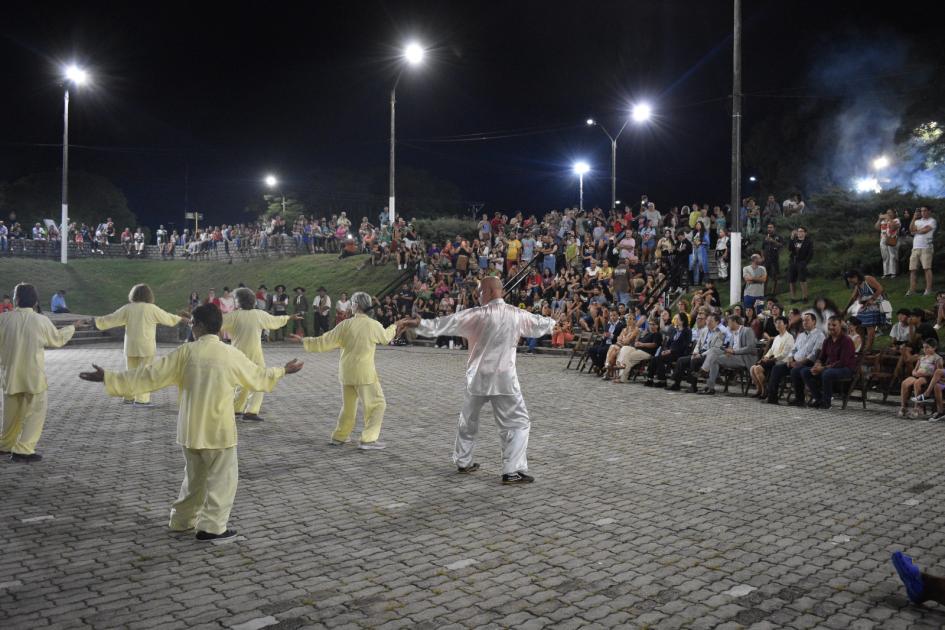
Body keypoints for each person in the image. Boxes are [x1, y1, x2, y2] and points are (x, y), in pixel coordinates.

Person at [79, 304, 303, 541]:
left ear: (200, 326)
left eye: (192, 322)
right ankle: (212, 527)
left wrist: (109, 378)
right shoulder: (231, 355)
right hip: (218, 431)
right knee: (222, 481)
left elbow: (149, 375)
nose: (191, 326)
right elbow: (259, 376)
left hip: (190, 429)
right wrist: (283, 371)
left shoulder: (186, 352)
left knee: (194, 480)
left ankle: (181, 520)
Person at [400, 276, 556, 484]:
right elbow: (540, 323)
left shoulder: (477, 315)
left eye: (481, 291)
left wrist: (415, 323)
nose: (478, 294)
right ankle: (512, 470)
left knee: (468, 420)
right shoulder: (517, 315)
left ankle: (463, 461)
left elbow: (443, 324)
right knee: (517, 423)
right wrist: (554, 322)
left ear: (491, 291)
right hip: (504, 379)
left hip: (477, 378)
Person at [290, 292, 397, 450]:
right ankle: (368, 439)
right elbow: (386, 338)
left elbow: (325, 340)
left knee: (348, 407)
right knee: (377, 404)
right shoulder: (373, 325)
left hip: (347, 372)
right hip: (364, 374)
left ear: (357, 305)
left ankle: (340, 436)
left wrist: (304, 341)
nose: (350, 305)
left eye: (352, 302)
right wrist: (394, 327)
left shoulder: (346, 324)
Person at [0, 284, 81, 461]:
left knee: (10, 414)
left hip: (10, 375)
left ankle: (5, 445)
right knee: (36, 413)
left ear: (16, 299)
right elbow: (57, 339)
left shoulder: (4, 319)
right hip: (33, 375)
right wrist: (72, 327)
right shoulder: (40, 320)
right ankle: (23, 449)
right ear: (35, 300)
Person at [90, 284, 188, 407]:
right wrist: (180, 319)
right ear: (149, 295)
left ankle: (128, 396)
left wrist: (97, 322)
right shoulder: (152, 308)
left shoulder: (127, 308)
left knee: (130, 372)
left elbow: (112, 318)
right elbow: (167, 318)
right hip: (146, 347)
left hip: (130, 346)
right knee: (144, 374)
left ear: (133, 295)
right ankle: (142, 399)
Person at [223, 288, 301, 421]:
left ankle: (236, 409)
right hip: (255, 354)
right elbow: (275, 321)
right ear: (253, 301)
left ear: (238, 302)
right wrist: (289, 317)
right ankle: (251, 411)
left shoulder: (232, 316)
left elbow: (213, 324)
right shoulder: (259, 314)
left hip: (236, 355)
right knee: (261, 379)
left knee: (240, 381)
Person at [799, 316, 857, 409]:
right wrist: (817, 365)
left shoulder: (847, 341)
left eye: (834, 325)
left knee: (827, 373)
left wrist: (823, 368)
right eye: (829, 325)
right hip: (830, 368)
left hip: (845, 369)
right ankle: (819, 399)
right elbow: (822, 357)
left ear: (840, 326)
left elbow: (842, 362)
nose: (831, 327)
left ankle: (826, 402)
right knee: (805, 371)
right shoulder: (827, 340)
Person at [699, 315, 758, 395]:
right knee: (714, 350)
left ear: (734, 322)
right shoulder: (733, 333)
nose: (727, 325)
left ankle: (709, 386)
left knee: (715, 360)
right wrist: (728, 351)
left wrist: (733, 352)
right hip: (733, 356)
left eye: (729, 323)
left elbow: (750, 348)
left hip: (743, 358)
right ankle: (704, 372)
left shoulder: (747, 330)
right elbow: (731, 346)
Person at [750, 316, 794, 398]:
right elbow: (771, 350)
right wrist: (766, 357)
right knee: (752, 368)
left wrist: (771, 359)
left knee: (757, 368)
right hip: (772, 360)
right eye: (776, 323)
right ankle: (759, 389)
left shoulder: (789, 337)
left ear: (785, 325)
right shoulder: (777, 337)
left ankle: (764, 390)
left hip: (781, 361)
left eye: (780, 323)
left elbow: (785, 354)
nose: (777, 325)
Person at [843, 270, 885, 351]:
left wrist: (872, 299)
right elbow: (853, 298)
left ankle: (868, 349)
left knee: (870, 326)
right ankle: (861, 346)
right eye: (850, 282)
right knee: (858, 324)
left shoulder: (868, 279)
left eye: (852, 281)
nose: (852, 283)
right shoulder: (857, 285)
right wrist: (845, 309)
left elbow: (880, 288)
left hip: (876, 304)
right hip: (865, 306)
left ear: (856, 276)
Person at [907, 205, 936, 296]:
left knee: (927, 268)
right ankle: (912, 290)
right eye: (922, 211)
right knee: (913, 269)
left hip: (926, 247)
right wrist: (914, 217)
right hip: (915, 248)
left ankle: (928, 290)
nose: (923, 212)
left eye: (925, 210)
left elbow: (925, 230)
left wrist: (915, 231)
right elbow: (911, 229)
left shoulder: (932, 221)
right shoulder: (917, 221)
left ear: (929, 211)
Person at [788, 227, 813, 303]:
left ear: (805, 233)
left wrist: (805, 262)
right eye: (798, 231)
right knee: (791, 280)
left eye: (801, 231)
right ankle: (793, 298)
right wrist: (791, 238)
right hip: (793, 262)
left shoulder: (808, 242)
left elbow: (810, 253)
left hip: (802, 262)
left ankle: (805, 297)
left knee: (802, 280)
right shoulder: (795, 240)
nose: (799, 233)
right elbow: (790, 249)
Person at [876, 209, 901, 278]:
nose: (888, 214)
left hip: (892, 239)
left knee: (892, 256)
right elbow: (877, 228)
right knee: (885, 256)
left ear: (894, 213)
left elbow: (893, 228)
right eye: (887, 213)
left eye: (890, 213)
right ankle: (886, 273)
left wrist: (889, 219)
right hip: (883, 239)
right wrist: (879, 219)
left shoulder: (896, 220)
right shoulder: (884, 221)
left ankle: (893, 273)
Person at [762, 223, 783, 295]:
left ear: (774, 228)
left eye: (771, 227)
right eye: (768, 227)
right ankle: (764, 293)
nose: (769, 229)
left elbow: (781, 245)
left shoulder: (778, 237)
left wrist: (773, 241)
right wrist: (762, 257)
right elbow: (762, 248)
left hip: (774, 260)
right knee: (765, 277)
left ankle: (773, 293)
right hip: (766, 260)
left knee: (774, 276)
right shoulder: (765, 237)